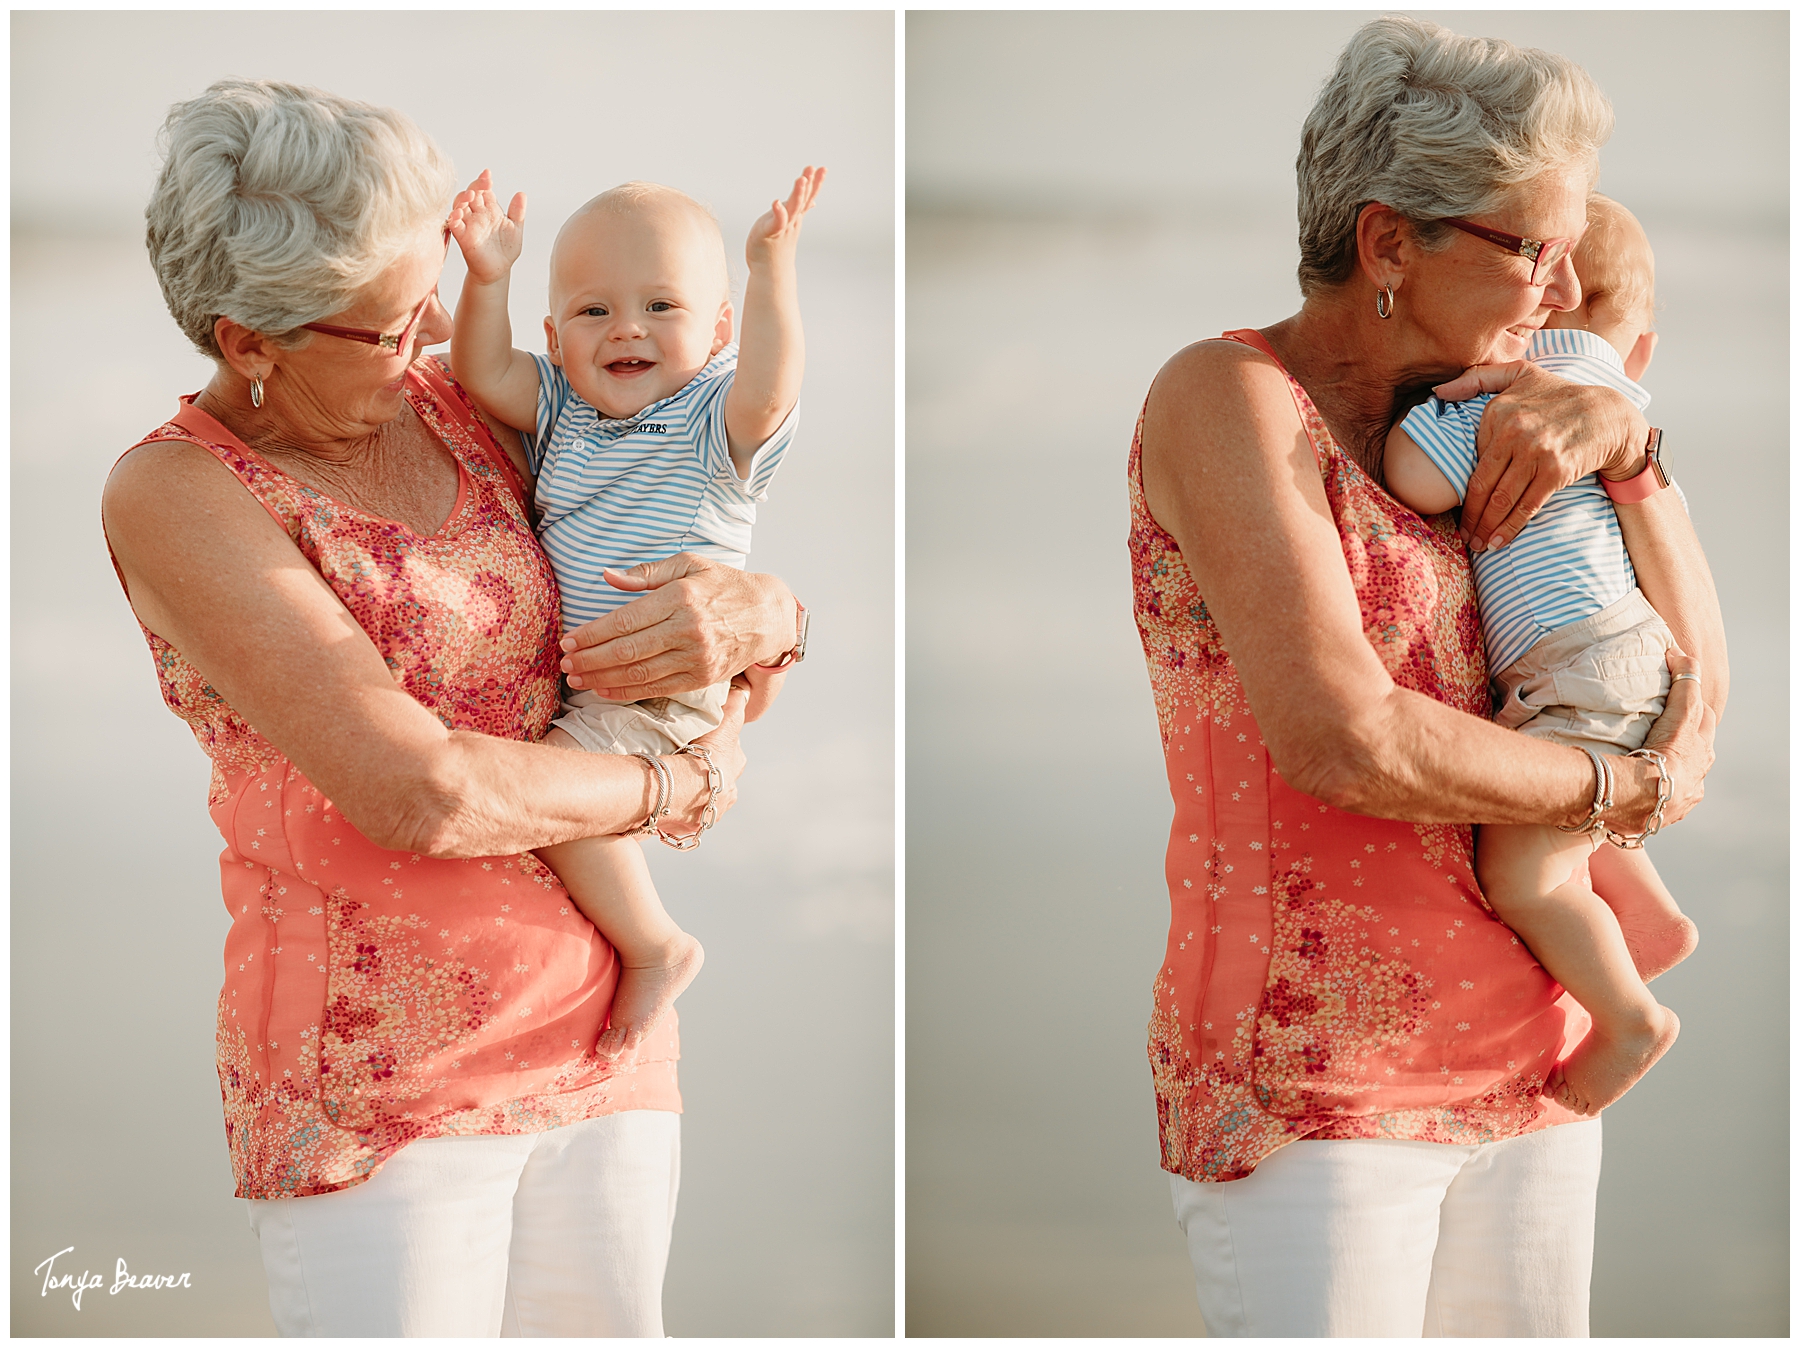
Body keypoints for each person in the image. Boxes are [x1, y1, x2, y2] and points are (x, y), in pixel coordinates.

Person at [102, 78, 806, 1337]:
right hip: (381, 1085)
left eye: (428, 295)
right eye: (386, 326)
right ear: (248, 339)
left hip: (604, 1039)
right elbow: (421, 787)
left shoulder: (463, 409)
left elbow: (670, 508)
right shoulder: (180, 494)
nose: (427, 336)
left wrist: (776, 618)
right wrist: (675, 784)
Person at [1132, 17, 1725, 1337]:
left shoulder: (1505, 403)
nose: (1564, 292)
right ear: (1390, 242)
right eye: (1533, 251)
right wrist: (1618, 784)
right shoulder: (1230, 402)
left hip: (1542, 1046)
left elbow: (1684, 655)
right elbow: (1347, 740)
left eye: (1570, 254)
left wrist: (1626, 435)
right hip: (1319, 1078)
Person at [445, 166, 823, 1062]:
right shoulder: (564, 408)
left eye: (663, 306)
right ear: (556, 334)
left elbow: (771, 387)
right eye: (592, 312)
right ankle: (637, 939)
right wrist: (487, 278)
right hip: (601, 683)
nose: (626, 329)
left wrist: (771, 270)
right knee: (560, 777)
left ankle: (657, 944)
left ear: (718, 330)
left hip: (661, 678)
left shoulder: (713, 418)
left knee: (551, 787)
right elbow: (483, 369)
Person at [1385, 194, 1707, 1120]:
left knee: (1521, 875)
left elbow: (1415, 478)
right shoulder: (1619, 404)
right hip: (1626, 649)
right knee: (1581, 801)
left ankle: (1630, 1019)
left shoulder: (1512, 393)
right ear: (1638, 349)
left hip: (1573, 663)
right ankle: (1647, 921)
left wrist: (1439, 405)